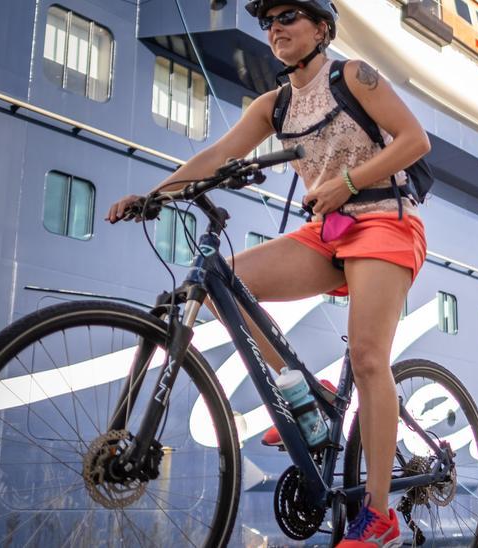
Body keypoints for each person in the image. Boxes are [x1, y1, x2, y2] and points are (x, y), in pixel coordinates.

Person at [107, 2, 430, 545]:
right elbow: (218, 152)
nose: (275, 28)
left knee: (369, 357)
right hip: (328, 232)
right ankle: (302, 390)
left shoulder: (350, 75)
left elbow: (414, 140)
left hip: (384, 220)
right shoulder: (273, 105)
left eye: (288, 16)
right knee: (223, 282)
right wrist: (153, 196)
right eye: (268, 21)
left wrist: (347, 182)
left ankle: (379, 517)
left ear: (321, 28)